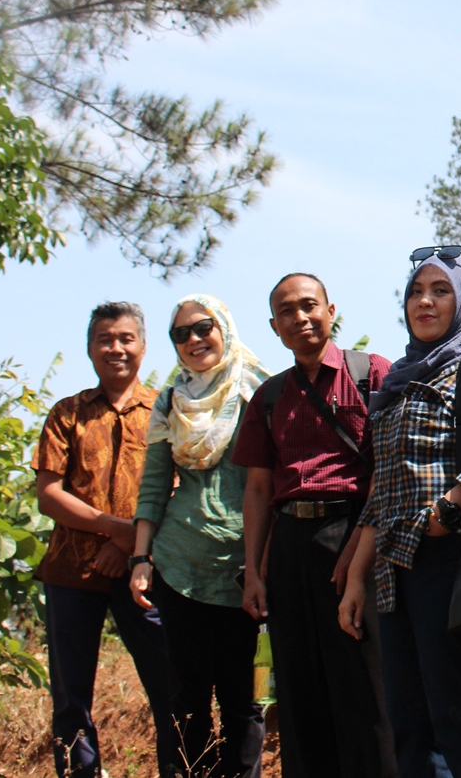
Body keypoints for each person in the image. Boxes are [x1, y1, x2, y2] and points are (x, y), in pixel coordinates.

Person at [339, 247, 461, 778]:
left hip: (449, 561)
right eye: (416, 291)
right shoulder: (397, 381)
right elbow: (382, 491)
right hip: (393, 573)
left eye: (441, 290)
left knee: (458, 715)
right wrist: (354, 577)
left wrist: (450, 509)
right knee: (410, 724)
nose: (425, 301)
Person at [232, 273, 391, 778]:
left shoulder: (373, 375)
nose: (300, 318)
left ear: (331, 309)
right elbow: (258, 491)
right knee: (299, 689)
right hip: (290, 547)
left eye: (309, 306)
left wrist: (358, 557)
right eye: (287, 311)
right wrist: (254, 572)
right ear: (274, 327)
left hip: (354, 533)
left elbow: (387, 470)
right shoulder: (270, 397)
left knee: (363, 686)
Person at [33, 301, 177, 778]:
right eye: (104, 339)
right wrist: (113, 529)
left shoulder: (167, 410)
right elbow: (50, 496)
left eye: (125, 339)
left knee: (170, 687)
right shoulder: (67, 414)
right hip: (71, 573)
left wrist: (128, 546)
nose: (115, 348)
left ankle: (180, 770)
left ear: (142, 345)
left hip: (145, 571)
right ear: (90, 347)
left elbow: (179, 490)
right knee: (71, 697)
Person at [129, 294, 269, 778]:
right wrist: (141, 558)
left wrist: (264, 563)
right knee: (187, 699)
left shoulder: (260, 392)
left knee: (243, 699)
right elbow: (152, 484)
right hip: (178, 566)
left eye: (202, 327)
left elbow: (272, 484)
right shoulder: (172, 400)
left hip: (242, 570)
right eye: (180, 334)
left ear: (224, 328)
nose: (192, 340)